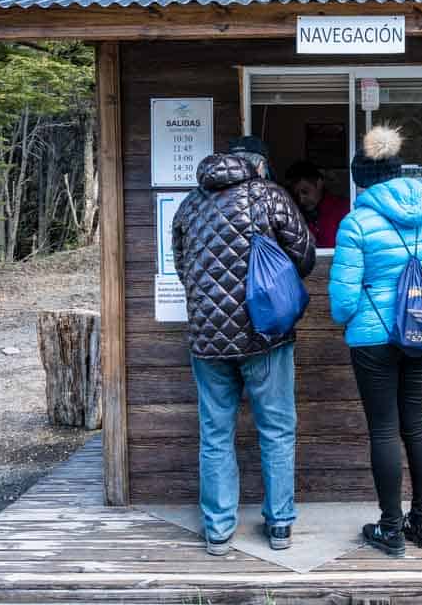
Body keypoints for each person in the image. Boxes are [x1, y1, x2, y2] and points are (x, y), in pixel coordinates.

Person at [171, 136, 316, 556]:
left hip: (206, 339)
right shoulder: (269, 196)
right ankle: (280, 525)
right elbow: (304, 257)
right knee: (276, 430)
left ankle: (218, 529)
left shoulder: (190, 205)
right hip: (264, 334)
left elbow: (183, 269)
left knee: (215, 433)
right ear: (259, 164)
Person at [327, 125, 422, 558]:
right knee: (415, 425)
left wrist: (353, 317)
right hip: (418, 333)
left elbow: (343, 299)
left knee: (383, 428)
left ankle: (390, 529)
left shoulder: (356, 221)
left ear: (361, 180)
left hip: (372, 337)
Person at [285, 160, 349, 248]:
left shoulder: (344, 209)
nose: (301, 200)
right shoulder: (296, 216)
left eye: (305, 192)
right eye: (297, 194)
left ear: (319, 183)